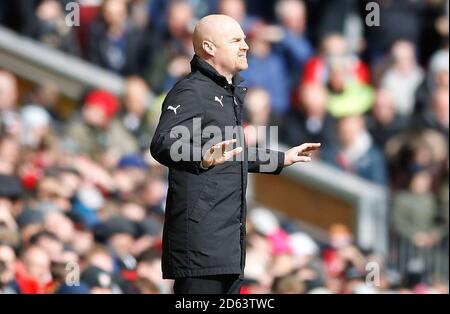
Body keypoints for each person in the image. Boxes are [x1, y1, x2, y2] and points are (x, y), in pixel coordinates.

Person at [150, 14, 320, 294]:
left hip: (228, 246)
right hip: (200, 245)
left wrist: (281, 158)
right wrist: (202, 156)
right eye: (236, 40)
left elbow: (231, 153)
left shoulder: (225, 94)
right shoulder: (192, 91)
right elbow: (162, 143)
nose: (246, 46)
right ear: (209, 47)